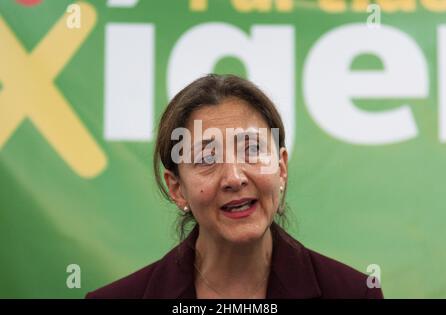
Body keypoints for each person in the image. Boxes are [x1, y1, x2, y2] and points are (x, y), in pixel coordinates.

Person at [86, 74, 383, 299]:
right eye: (207, 157)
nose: (234, 178)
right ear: (177, 189)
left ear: (280, 168)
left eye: (252, 149)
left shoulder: (354, 294)